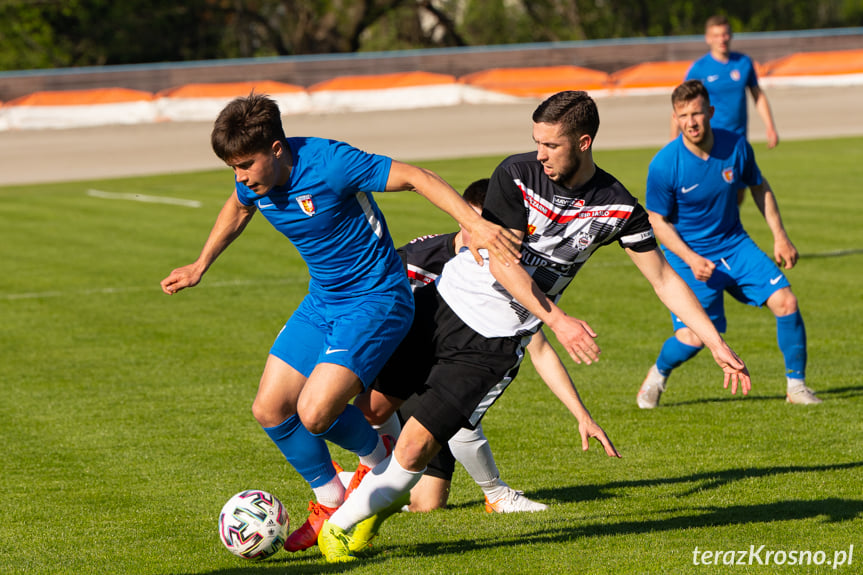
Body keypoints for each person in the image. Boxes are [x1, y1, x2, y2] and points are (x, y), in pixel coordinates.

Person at [316, 90, 752, 563]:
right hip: (438, 307)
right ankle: (353, 495)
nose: (540, 154)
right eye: (536, 142)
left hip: (491, 344)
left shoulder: (618, 208)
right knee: (371, 411)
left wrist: (715, 342)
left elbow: (664, 279)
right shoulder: (516, 173)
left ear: (584, 143)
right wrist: (558, 319)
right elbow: (503, 262)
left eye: (551, 145)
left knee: (416, 449)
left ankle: (340, 527)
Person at [159, 93, 521, 553]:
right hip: (323, 299)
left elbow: (415, 177)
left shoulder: (332, 162)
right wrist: (200, 264)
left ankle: (381, 459)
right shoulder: (253, 180)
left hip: (377, 299)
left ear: (276, 149)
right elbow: (238, 207)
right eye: (232, 168)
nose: (240, 178)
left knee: (314, 413)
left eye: (245, 165)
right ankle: (331, 500)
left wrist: (478, 224)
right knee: (270, 410)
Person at [374, 178, 618, 514]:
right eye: (477, 224)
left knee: (426, 505)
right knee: (459, 412)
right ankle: (497, 494)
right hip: (401, 379)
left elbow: (540, 349)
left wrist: (582, 415)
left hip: (447, 381)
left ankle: (362, 484)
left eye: (494, 228)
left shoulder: (508, 273)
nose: (486, 237)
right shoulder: (416, 260)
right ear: (462, 218)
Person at [638, 79, 818, 409]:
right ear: (675, 119)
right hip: (687, 257)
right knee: (694, 338)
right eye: (683, 115)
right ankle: (658, 375)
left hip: (735, 245)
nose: (691, 122)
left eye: (696, 113)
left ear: (710, 112)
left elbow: (760, 187)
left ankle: (797, 387)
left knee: (787, 303)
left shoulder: (736, 146)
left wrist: (780, 236)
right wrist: (691, 258)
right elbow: (657, 222)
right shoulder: (665, 164)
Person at [674, 14, 779, 150]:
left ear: (730, 35)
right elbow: (680, 103)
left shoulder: (744, 62)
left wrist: (770, 127)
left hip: (739, 138)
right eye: (716, 36)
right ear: (708, 38)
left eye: (724, 34)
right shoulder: (699, 68)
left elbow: (758, 96)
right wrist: (674, 138)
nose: (721, 40)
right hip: (710, 138)